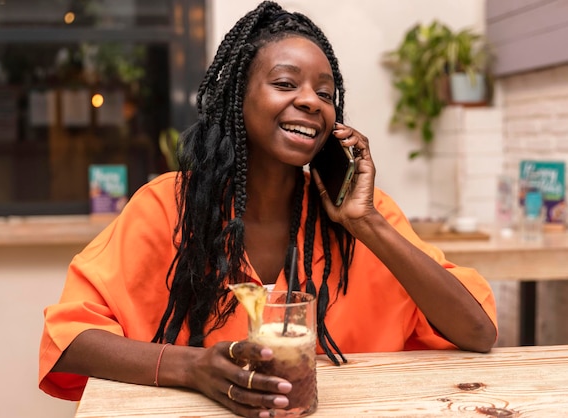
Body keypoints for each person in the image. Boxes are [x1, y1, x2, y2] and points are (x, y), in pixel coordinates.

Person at [39, 2, 498, 417]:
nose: (310, 101)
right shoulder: (168, 206)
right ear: (237, 97)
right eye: (284, 83)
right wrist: (193, 367)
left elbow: (478, 332)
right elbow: (69, 341)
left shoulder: (367, 215)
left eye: (326, 93)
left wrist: (366, 224)